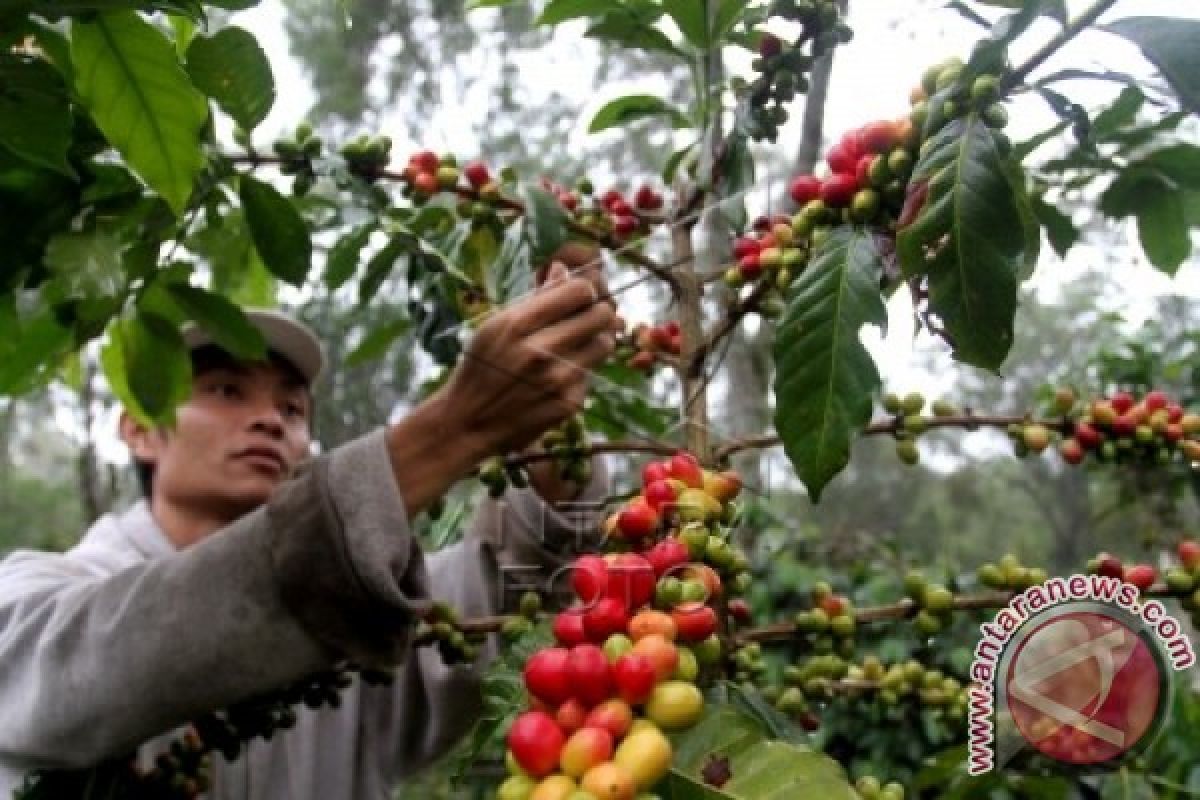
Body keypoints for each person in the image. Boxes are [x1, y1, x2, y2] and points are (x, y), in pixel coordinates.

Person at [0, 244, 622, 799]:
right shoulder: (34, 601)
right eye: (225, 391)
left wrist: (550, 439)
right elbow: (83, 668)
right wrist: (449, 432)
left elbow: (517, 590)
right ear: (138, 430)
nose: (271, 420)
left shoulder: (373, 609)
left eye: (292, 407)